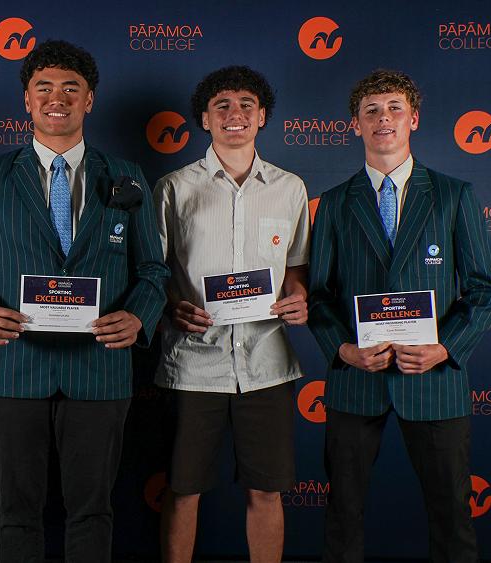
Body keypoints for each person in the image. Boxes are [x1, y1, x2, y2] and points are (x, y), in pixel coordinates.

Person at [0, 40, 169, 562]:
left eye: (71, 88)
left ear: (90, 100)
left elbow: (154, 270)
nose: (56, 98)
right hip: (12, 366)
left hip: (99, 368)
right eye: (43, 88)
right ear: (27, 100)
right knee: (16, 511)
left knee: (93, 511)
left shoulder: (127, 176)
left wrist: (139, 317)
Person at [307, 69, 491, 563]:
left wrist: (445, 347)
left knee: (452, 516)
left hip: (434, 379)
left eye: (394, 108)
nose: (383, 118)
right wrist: (343, 349)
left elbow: (484, 290)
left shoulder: (455, 195)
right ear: (355, 124)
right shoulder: (334, 204)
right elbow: (319, 296)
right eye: (371, 110)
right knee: (342, 513)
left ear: (413, 119)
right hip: (357, 380)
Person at [153, 66, 310, 563]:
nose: (234, 113)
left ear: (262, 116)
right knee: (183, 489)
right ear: (205, 118)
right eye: (221, 105)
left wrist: (297, 295)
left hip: (266, 363)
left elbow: (296, 268)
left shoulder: (290, 188)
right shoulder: (174, 187)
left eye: (246, 104)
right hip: (193, 363)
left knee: (267, 491)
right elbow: (151, 272)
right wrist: (169, 306)